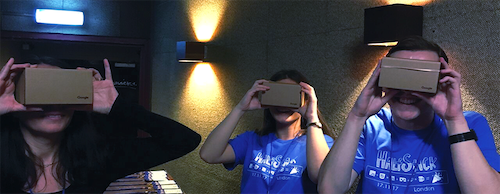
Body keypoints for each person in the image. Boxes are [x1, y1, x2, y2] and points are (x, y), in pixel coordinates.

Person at [317, 36, 500, 194]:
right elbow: (330, 189)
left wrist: (454, 121)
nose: (406, 90)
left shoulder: (469, 123)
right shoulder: (371, 125)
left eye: (420, 79)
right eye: (399, 76)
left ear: (440, 82)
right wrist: (357, 116)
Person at [0, 57, 201, 194]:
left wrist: (117, 106)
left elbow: (184, 141)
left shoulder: (98, 158)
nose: (54, 102)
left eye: (62, 90)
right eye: (41, 91)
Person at [199, 70, 335, 194]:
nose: (283, 105)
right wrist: (240, 108)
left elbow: (321, 178)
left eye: (290, 97)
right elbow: (209, 155)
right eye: (278, 96)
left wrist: (311, 117)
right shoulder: (252, 140)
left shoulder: (320, 142)